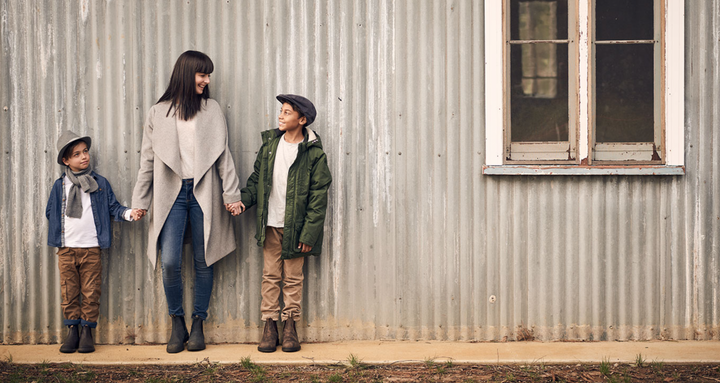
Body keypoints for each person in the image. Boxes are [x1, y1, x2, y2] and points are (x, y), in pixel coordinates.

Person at [131, 50, 243, 353]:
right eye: (201, 74)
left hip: (203, 190)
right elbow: (147, 162)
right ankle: (176, 322)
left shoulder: (212, 109)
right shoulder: (159, 113)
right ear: (186, 73)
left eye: (208, 75)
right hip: (171, 193)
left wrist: (231, 195)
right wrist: (140, 201)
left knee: (203, 261)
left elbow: (224, 156)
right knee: (169, 261)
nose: (206, 80)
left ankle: (198, 324)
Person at [238, 94, 332, 353]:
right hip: (270, 224)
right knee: (270, 275)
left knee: (292, 278)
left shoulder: (313, 154)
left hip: (296, 228)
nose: (280, 115)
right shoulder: (270, 146)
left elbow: (318, 197)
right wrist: (243, 202)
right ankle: (270, 324)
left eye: (287, 112)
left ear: (302, 120)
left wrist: (309, 233)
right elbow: (257, 180)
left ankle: (290, 325)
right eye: (281, 111)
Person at [46, 130, 140, 353]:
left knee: (90, 291)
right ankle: (72, 331)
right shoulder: (60, 186)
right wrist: (62, 233)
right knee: (69, 292)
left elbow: (112, 207)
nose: (83, 157)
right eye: (76, 154)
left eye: (85, 151)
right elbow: (51, 212)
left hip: (91, 248)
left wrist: (129, 213)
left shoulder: (99, 183)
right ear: (66, 161)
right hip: (67, 249)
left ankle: (87, 331)